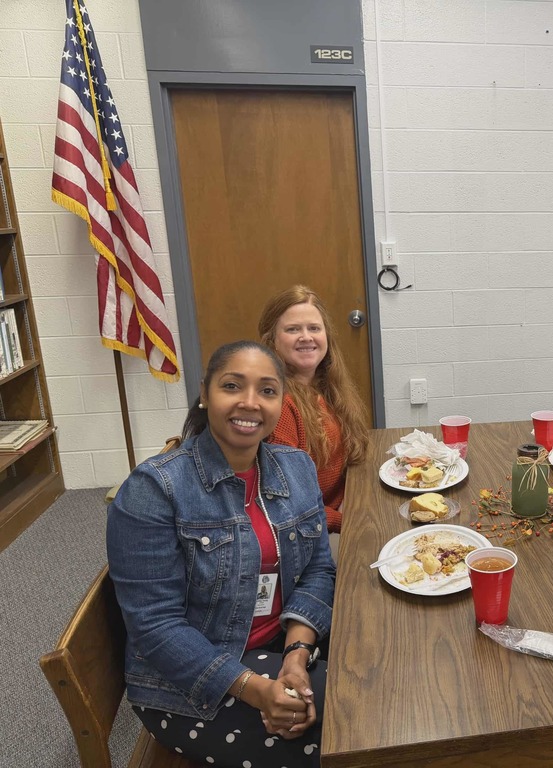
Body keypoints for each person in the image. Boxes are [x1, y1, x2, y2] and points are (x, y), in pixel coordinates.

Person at [107, 341, 336, 767]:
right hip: (191, 687)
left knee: (383, 683)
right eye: (233, 386)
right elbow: (155, 627)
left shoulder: (297, 467)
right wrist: (257, 689)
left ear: (281, 402)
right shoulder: (154, 490)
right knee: (354, 730)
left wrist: (296, 655)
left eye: (267, 391)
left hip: (278, 650)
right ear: (205, 392)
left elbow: (318, 569)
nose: (250, 403)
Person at [259, 285, 369, 533]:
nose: (306, 337)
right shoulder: (280, 405)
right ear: (272, 340)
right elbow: (289, 506)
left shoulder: (326, 387)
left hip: (342, 505)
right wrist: (347, 522)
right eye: (292, 329)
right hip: (313, 530)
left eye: (314, 328)